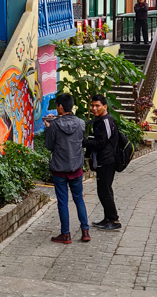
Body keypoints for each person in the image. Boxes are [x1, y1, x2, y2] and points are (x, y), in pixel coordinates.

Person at [43, 93, 90, 244]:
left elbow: (49, 146)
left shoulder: (55, 125)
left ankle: (66, 234)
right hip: (76, 168)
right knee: (79, 199)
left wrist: (48, 128)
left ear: (60, 107)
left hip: (59, 169)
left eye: (57, 106)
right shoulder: (81, 123)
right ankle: (85, 231)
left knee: (62, 202)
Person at [86, 94, 122, 230]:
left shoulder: (106, 121)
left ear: (105, 106)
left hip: (107, 162)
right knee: (104, 191)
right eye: (92, 105)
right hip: (103, 161)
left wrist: (84, 142)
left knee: (105, 191)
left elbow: (101, 143)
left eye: (97, 106)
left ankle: (114, 220)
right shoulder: (100, 120)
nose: (94, 108)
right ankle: (107, 219)